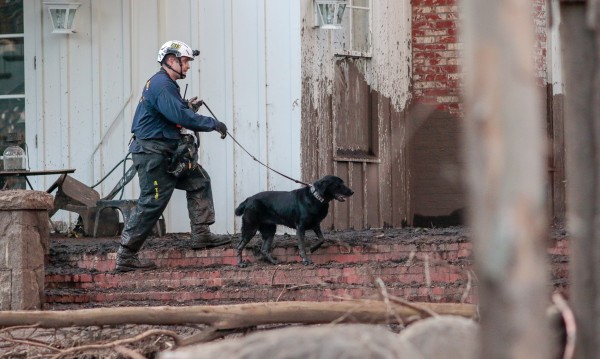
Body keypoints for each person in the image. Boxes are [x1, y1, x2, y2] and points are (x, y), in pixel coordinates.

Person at [115, 40, 230, 272]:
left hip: (166, 153)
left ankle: (201, 234)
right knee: (152, 201)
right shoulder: (162, 85)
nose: (187, 66)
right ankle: (126, 255)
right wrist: (212, 123)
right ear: (170, 60)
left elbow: (171, 113)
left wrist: (187, 105)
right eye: (185, 61)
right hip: (153, 155)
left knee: (199, 180)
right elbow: (181, 116)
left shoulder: (165, 85)